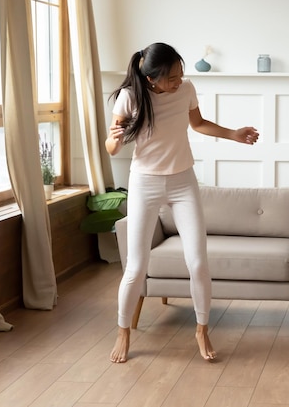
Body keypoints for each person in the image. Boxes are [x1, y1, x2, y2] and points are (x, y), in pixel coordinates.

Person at [106, 42, 259, 363]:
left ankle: (202, 329)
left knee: (199, 263)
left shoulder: (186, 88)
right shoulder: (131, 96)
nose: (179, 81)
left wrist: (234, 134)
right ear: (152, 79)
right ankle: (123, 331)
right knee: (136, 266)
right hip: (145, 182)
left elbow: (198, 123)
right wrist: (115, 139)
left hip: (182, 181)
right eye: (172, 77)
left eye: (180, 73)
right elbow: (111, 147)